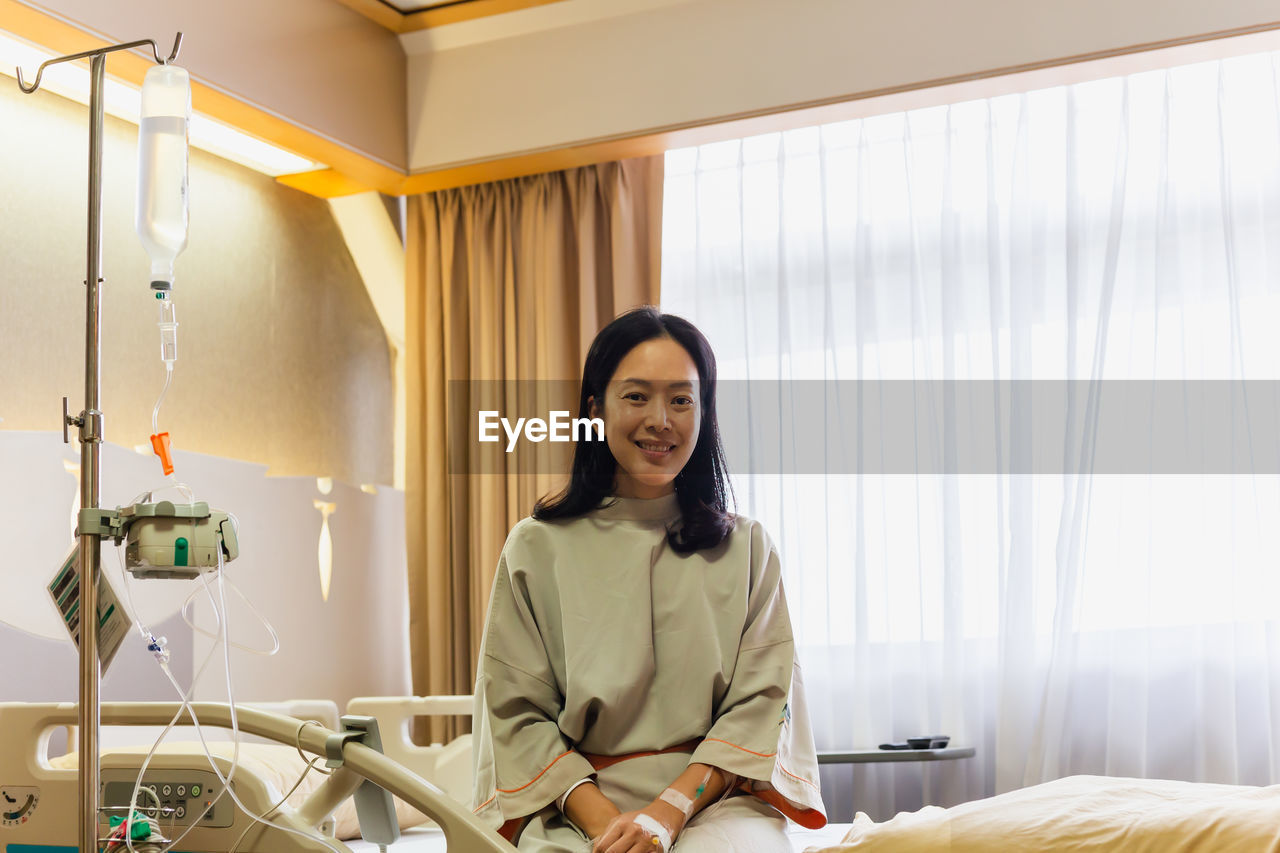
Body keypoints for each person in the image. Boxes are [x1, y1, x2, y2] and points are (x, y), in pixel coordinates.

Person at [472, 307, 826, 852]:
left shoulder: (748, 548)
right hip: (575, 805)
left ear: (703, 414)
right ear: (595, 409)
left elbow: (761, 703)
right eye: (636, 397)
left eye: (681, 400)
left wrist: (668, 812)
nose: (660, 419)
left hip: (717, 803)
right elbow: (516, 713)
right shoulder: (535, 547)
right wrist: (607, 825)